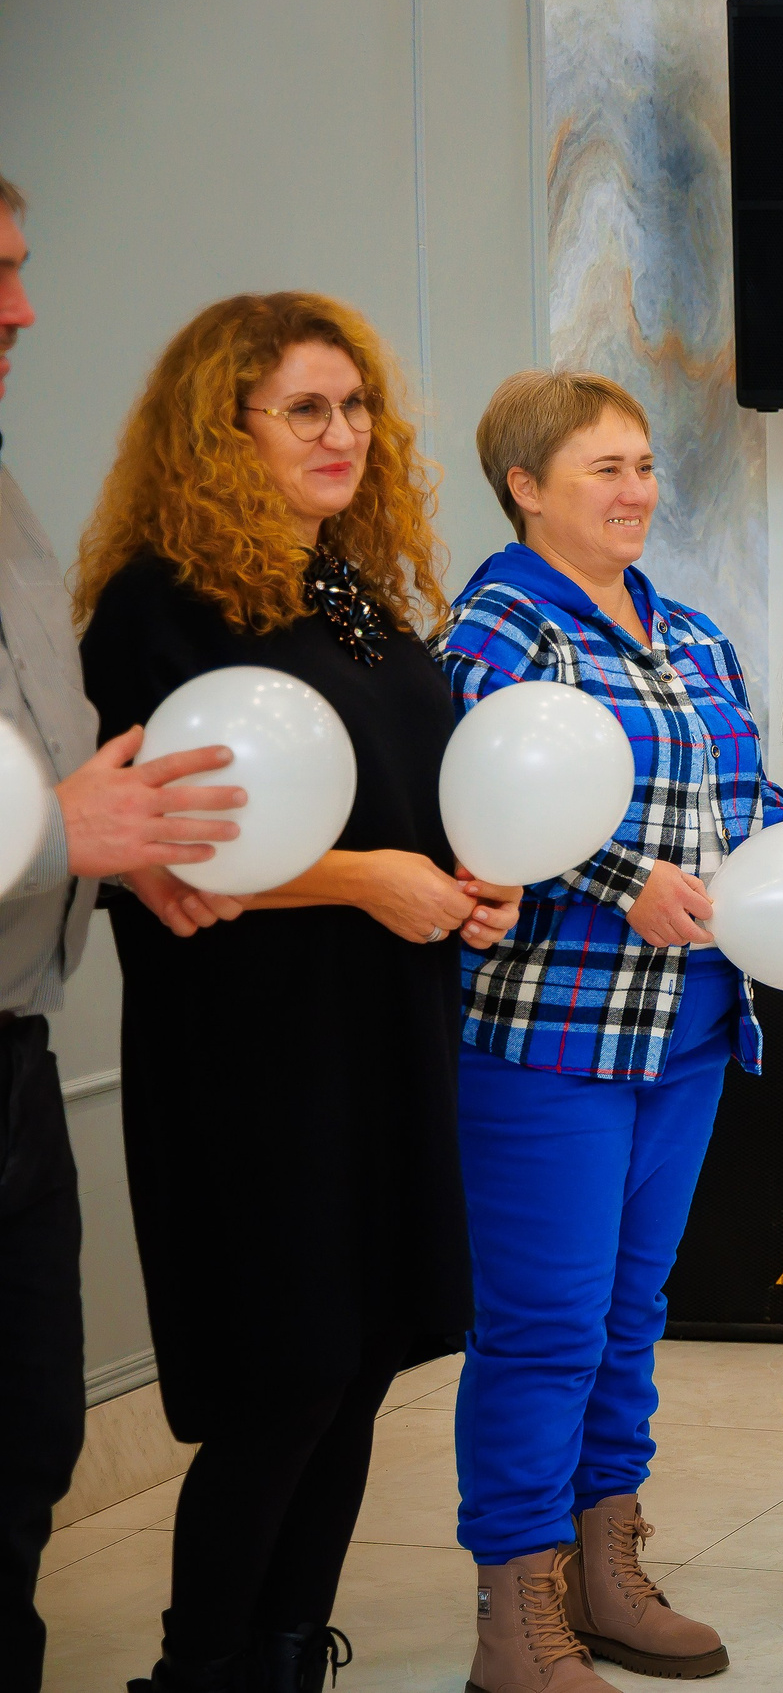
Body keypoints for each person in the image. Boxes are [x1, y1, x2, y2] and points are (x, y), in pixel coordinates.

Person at [75, 291, 519, 1690]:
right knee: (288, 1375)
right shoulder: (161, 605)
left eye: (357, 405)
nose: (343, 433)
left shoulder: (355, 595)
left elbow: (408, 786)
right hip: (250, 1046)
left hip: (382, 1026)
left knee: (367, 1355)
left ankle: (283, 1654)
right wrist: (376, 880)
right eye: (304, 409)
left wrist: (469, 876)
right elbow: (170, 849)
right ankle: (199, 1665)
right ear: (224, 431)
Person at [438, 369, 783, 1690]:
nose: (638, 488)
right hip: (550, 1034)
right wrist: (618, 881)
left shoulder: (690, 632)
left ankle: (605, 1560)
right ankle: (516, 1606)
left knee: (630, 1313)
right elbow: (475, 792)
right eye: (604, 467)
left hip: (693, 1025)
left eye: (643, 463)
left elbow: (743, 787)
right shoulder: (497, 627)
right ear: (526, 485)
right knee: (543, 1321)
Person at [0, 172, 251, 1693]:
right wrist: (54, 839)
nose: (25, 306)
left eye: (22, 267)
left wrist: (113, 860)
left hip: (18, 1052)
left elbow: (48, 754)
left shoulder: (11, 497)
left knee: (24, 1450)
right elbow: (34, 804)